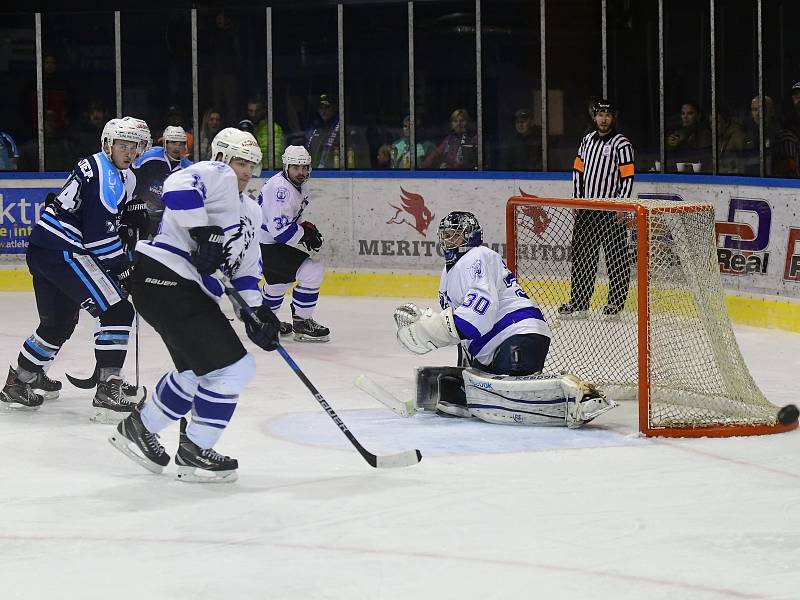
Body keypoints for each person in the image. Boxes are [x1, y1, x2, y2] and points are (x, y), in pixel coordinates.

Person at [110, 127, 280, 482]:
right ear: (222, 158)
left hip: (174, 288)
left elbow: (245, 271)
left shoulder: (251, 211)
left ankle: (140, 428)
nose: (246, 171)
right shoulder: (214, 174)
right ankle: (195, 448)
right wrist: (202, 232)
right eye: (239, 162)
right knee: (233, 370)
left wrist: (257, 312)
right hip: (166, 277)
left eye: (251, 164)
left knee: (196, 372)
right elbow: (176, 187)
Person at [392, 211, 615, 426]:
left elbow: (477, 314)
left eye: (456, 235)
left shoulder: (477, 256)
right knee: (459, 388)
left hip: (516, 333)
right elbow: (463, 332)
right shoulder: (450, 271)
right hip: (497, 344)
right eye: (446, 235)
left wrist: (430, 331)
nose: (449, 241)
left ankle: (581, 397)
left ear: (471, 236)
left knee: (513, 392)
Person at [1, 118, 148, 420]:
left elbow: (99, 221)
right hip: (64, 251)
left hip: (45, 248)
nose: (129, 152)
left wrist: (126, 220)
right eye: (123, 145)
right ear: (108, 144)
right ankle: (109, 388)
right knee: (117, 310)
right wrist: (124, 269)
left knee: (57, 324)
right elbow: (98, 240)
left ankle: (21, 379)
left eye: (135, 146)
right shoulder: (105, 175)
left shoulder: (108, 170)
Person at [558, 99, 635, 320]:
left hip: (612, 210)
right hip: (587, 210)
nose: (603, 119)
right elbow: (577, 172)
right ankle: (579, 303)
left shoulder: (622, 144)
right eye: (600, 114)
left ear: (614, 118)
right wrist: (576, 200)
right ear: (594, 117)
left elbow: (627, 176)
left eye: (608, 115)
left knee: (616, 258)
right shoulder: (587, 141)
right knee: (583, 257)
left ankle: (615, 304)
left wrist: (622, 204)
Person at [257, 145, 330, 342]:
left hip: (265, 242)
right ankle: (302, 322)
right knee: (312, 271)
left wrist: (302, 228)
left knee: (278, 283)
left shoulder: (297, 185)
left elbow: (284, 221)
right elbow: (280, 232)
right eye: (296, 168)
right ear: (286, 167)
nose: (301, 172)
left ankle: (263, 320)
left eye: (304, 167)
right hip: (266, 244)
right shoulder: (281, 189)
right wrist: (304, 233)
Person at [131, 125, 193, 238]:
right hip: (142, 212)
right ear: (165, 144)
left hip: (167, 218)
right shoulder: (150, 156)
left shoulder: (189, 169)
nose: (177, 147)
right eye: (173, 143)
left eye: (181, 143)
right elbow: (131, 173)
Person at [665, 101, 711, 171]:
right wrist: (670, 144)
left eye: (690, 113)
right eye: (683, 113)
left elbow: (703, 158)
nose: (685, 117)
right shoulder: (678, 132)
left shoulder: (705, 134)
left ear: (698, 116)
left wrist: (682, 143)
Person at [246, 96, 285, 168]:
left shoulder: (273, 128)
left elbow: (276, 158)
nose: (254, 115)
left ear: (264, 110)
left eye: (257, 111)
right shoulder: (246, 128)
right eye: (251, 111)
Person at [305, 93, 340, 169]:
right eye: (321, 108)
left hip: (335, 173)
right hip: (315, 172)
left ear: (334, 108)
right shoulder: (314, 128)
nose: (323, 111)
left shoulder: (341, 128)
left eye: (327, 107)